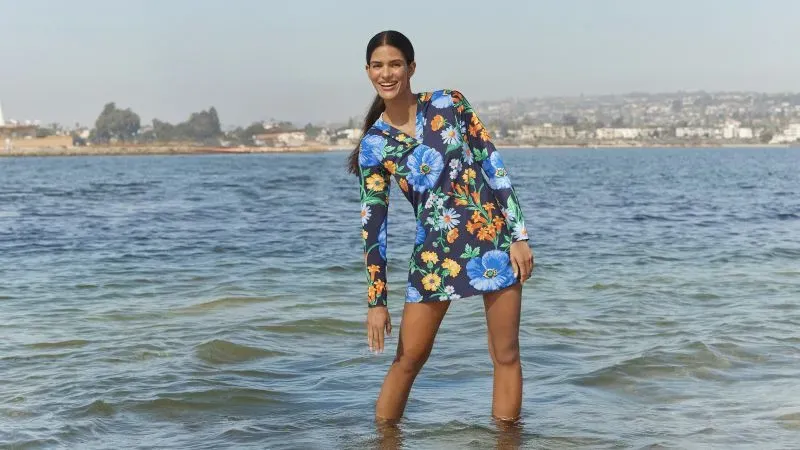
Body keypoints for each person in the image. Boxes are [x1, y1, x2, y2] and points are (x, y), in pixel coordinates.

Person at [348, 30, 535, 423]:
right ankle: (382, 440)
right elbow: (373, 230)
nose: (387, 73)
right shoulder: (374, 146)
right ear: (367, 71)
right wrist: (376, 302)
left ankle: (506, 441)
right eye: (378, 66)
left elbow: (491, 163)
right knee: (407, 360)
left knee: (506, 355)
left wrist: (519, 235)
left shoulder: (448, 103)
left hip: (494, 241)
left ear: (411, 67)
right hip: (434, 256)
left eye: (395, 64)